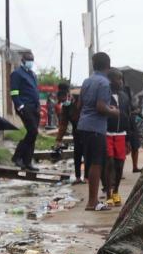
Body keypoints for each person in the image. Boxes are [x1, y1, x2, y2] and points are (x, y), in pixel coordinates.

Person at [77, 52, 120, 211]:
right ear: (108, 66)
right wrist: (114, 111)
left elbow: (80, 104)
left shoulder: (87, 81)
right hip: (96, 127)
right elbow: (101, 107)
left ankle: (93, 200)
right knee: (97, 163)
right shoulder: (104, 83)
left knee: (91, 162)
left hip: (84, 125)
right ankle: (92, 202)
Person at [104, 69, 132, 206]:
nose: (120, 82)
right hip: (107, 133)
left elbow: (128, 117)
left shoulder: (125, 96)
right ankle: (108, 193)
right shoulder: (104, 95)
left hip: (121, 134)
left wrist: (129, 139)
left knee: (120, 164)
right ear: (110, 81)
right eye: (117, 79)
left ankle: (116, 191)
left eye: (121, 79)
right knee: (109, 163)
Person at [10, 52, 41, 171]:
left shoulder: (32, 74)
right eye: (29, 60)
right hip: (25, 107)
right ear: (23, 60)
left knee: (33, 135)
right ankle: (17, 157)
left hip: (35, 107)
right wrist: (20, 106)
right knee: (33, 131)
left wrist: (38, 106)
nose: (31, 62)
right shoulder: (17, 74)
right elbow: (14, 92)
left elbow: (34, 90)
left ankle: (27, 162)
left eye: (32, 60)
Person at [54, 82, 84, 183]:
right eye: (61, 101)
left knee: (88, 154)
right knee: (77, 154)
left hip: (87, 130)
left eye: (64, 99)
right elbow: (63, 124)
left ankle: (88, 177)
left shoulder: (80, 100)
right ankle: (78, 177)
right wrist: (58, 140)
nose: (63, 102)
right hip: (76, 130)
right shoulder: (66, 107)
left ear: (69, 95)